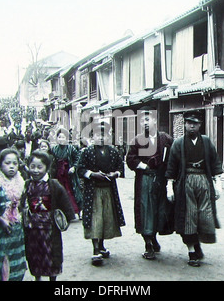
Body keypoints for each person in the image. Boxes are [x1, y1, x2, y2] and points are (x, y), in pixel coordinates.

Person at [166, 111, 223, 267]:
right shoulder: (178, 143)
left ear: (200, 125)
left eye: (195, 123)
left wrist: (218, 183)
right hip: (186, 183)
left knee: (204, 215)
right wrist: (169, 187)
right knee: (188, 217)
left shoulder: (206, 142)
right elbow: (171, 167)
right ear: (185, 124)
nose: (192, 125)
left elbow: (215, 163)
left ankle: (197, 244)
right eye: (189, 122)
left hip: (204, 181)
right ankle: (192, 251)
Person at [126, 106, 174, 260]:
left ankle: (154, 238)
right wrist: (144, 166)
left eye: (147, 119)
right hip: (145, 180)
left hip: (161, 179)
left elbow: (174, 156)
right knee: (146, 211)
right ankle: (148, 244)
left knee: (160, 211)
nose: (144, 123)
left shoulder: (165, 139)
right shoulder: (137, 140)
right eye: (141, 120)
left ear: (154, 120)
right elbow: (130, 159)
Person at [20, 151, 75, 281]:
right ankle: (37, 278)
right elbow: (21, 203)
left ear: (47, 167)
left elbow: (65, 202)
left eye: (40, 167)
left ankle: (52, 279)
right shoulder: (27, 184)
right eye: (32, 166)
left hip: (49, 228)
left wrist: (65, 218)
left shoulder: (53, 185)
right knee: (34, 254)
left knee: (51, 255)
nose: (36, 170)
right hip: (32, 228)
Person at [78, 121, 126, 266]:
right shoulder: (87, 152)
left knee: (106, 218)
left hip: (108, 190)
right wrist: (92, 174)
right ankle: (95, 250)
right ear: (92, 137)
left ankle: (102, 245)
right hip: (93, 191)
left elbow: (120, 167)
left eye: (104, 135)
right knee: (95, 219)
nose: (101, 138)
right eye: (97, 135)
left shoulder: (113, 152)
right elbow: (80, 169)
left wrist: (115, 174)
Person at [0, 148, 27, 281]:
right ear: (0, 164)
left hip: (16, 230)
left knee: (15, 260)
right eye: (7, 163)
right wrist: (0, 219)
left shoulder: (21, 183)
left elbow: (24, 204)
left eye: (15, 163)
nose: (12, 166)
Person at [52, 128, 83, 217]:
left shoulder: (70, 148)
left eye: (63, 137)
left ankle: (79, 210)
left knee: (73, 192)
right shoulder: (54, 149)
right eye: (59, 137)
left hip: (69, 174)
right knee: (61, 192)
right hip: (59, 174)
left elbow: (77, 158)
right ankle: (65, 212)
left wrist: (73, 167)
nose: (61, 139)